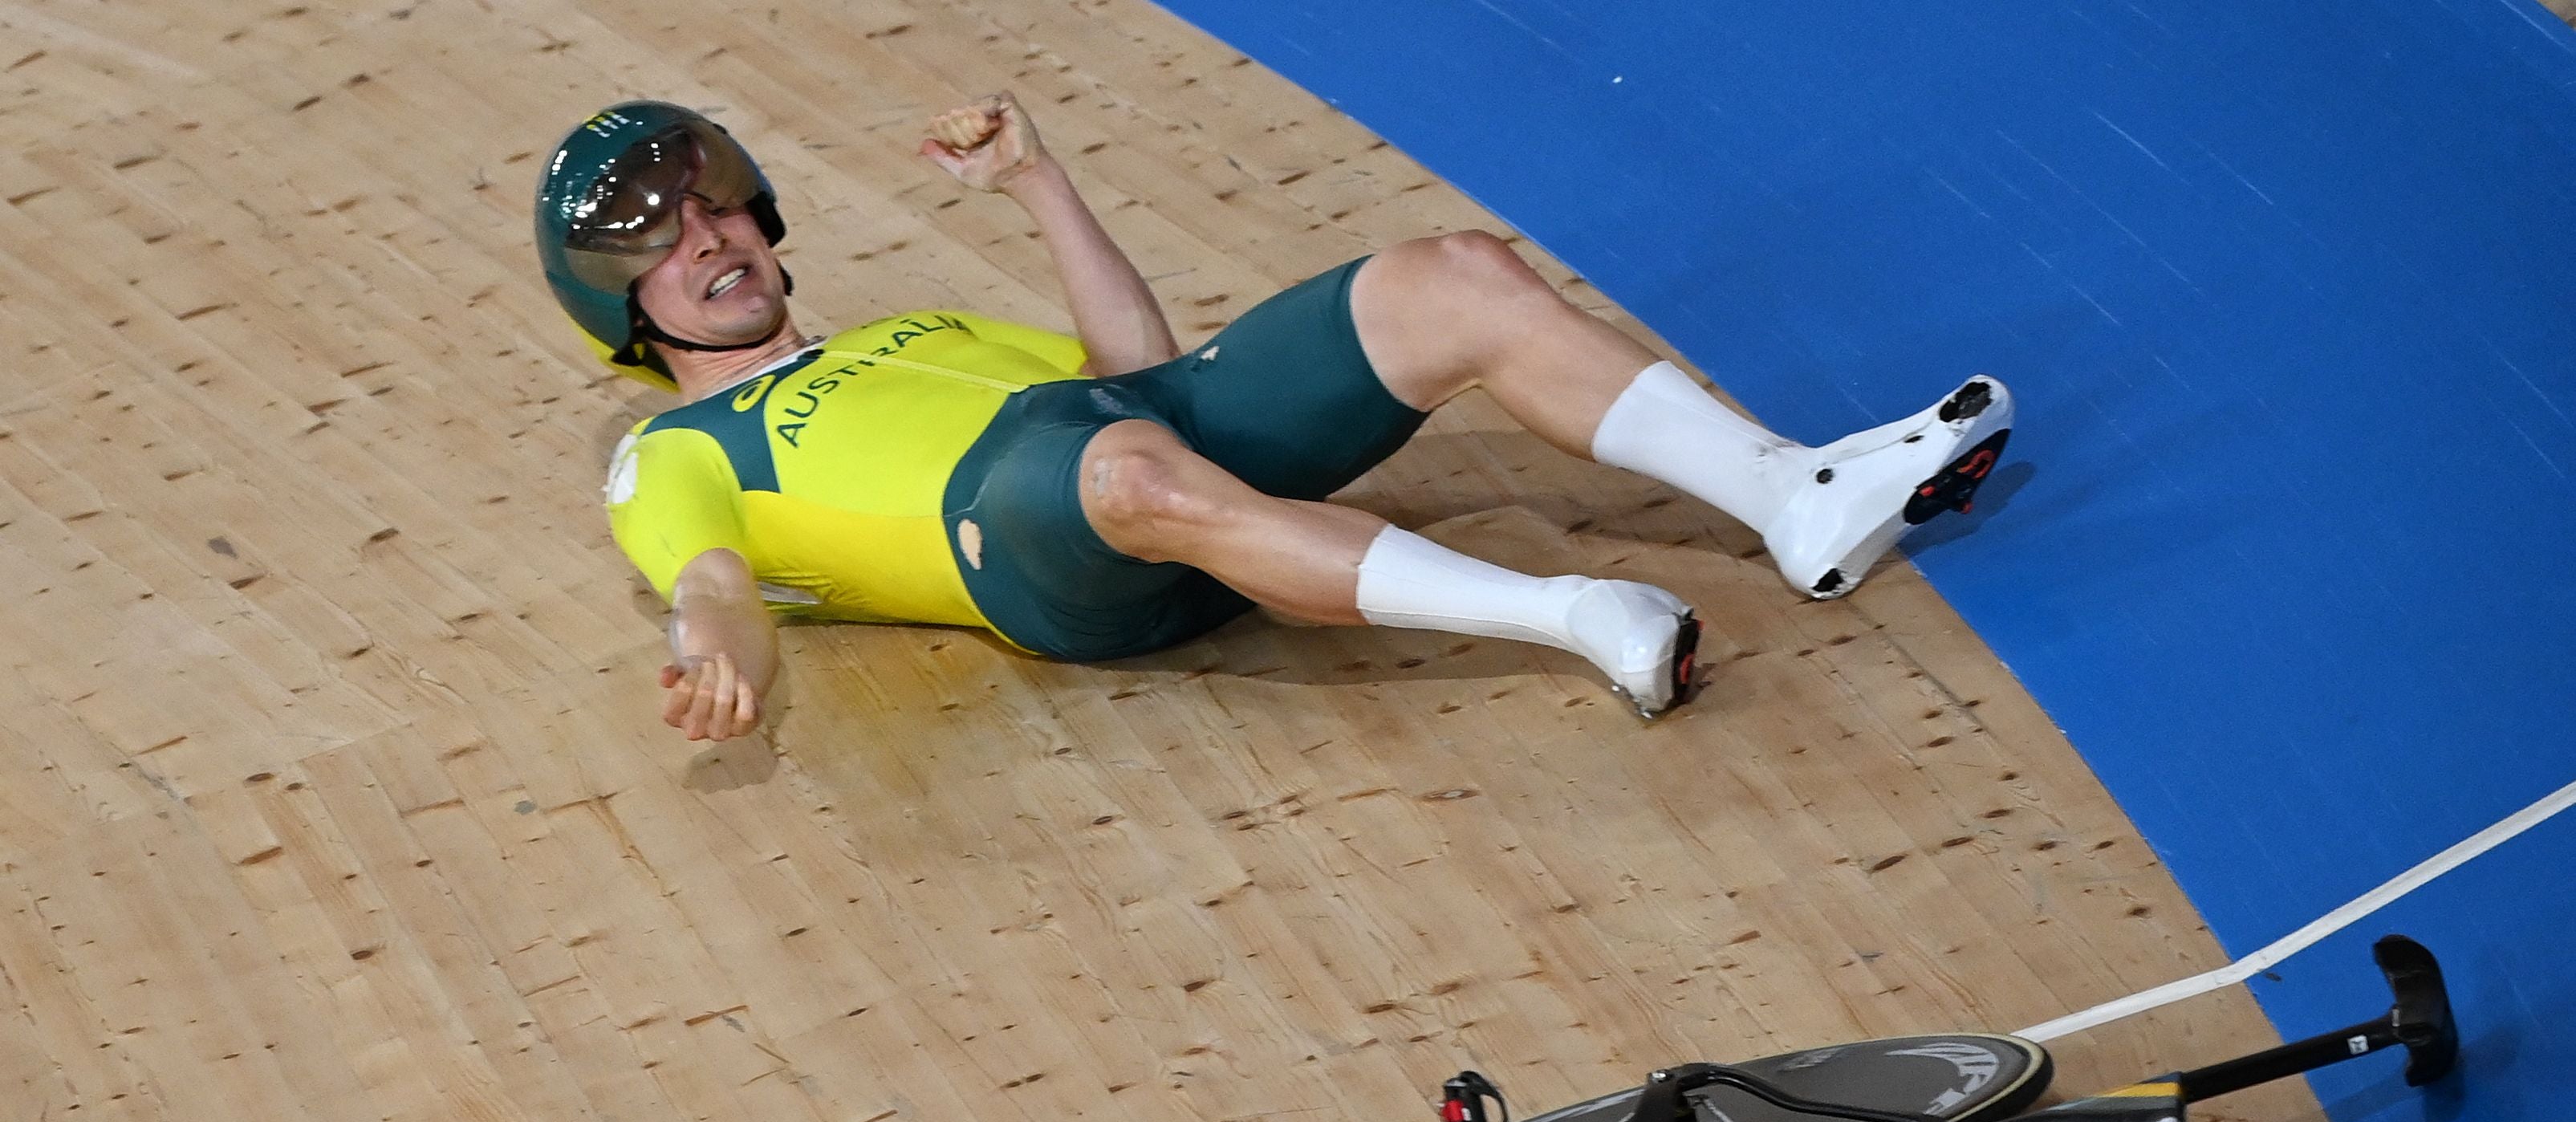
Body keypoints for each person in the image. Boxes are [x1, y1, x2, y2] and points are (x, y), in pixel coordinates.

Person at [535, 97, 2011, 742]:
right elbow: (713, 588)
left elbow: (1136, 365)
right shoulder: (666, 457)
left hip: (1128, 436)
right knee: (1117, 464)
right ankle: (1576, 615)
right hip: (1038, 555)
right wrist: (713, 665)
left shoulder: (912, 332)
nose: (708, 238)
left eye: (716, 201)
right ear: (620, 306)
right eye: (661, 240)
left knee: (1454, 276)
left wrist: (1040, 187)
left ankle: (1791, 495)